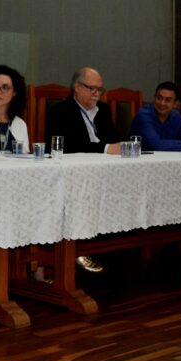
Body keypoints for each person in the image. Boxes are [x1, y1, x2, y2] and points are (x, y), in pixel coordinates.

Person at [44, 67, 121, 273]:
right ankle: (77, 249)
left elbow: (114, 140)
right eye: (91, 88)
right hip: (73, 175)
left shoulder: (104, 110)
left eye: (100, 89)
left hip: (103, 173)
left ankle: (110, 246)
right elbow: (67, 146)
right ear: (77, 87)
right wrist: (105, 148)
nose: (96, 94)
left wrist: (111, 147)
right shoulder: (60, 111)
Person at [130, 81, 181, 152]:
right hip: (138, 157)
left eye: (168, 100)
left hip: (167, 158)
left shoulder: (176, 116)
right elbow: (156, 145)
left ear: (175, 104)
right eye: (159, 98)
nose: (162, 103)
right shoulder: (144, 115)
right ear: (154, 98)